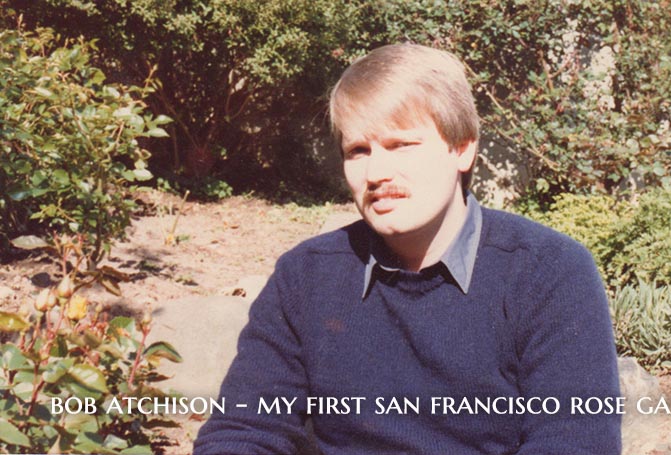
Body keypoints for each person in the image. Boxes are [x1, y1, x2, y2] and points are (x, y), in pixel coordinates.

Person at [193, 43, 621, 454]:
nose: (377, 172)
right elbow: (246, 428)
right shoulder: (306, 276)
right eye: (358, 151)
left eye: (401, 145)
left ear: (463, 148)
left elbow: (575, 442)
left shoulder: (548, 273)